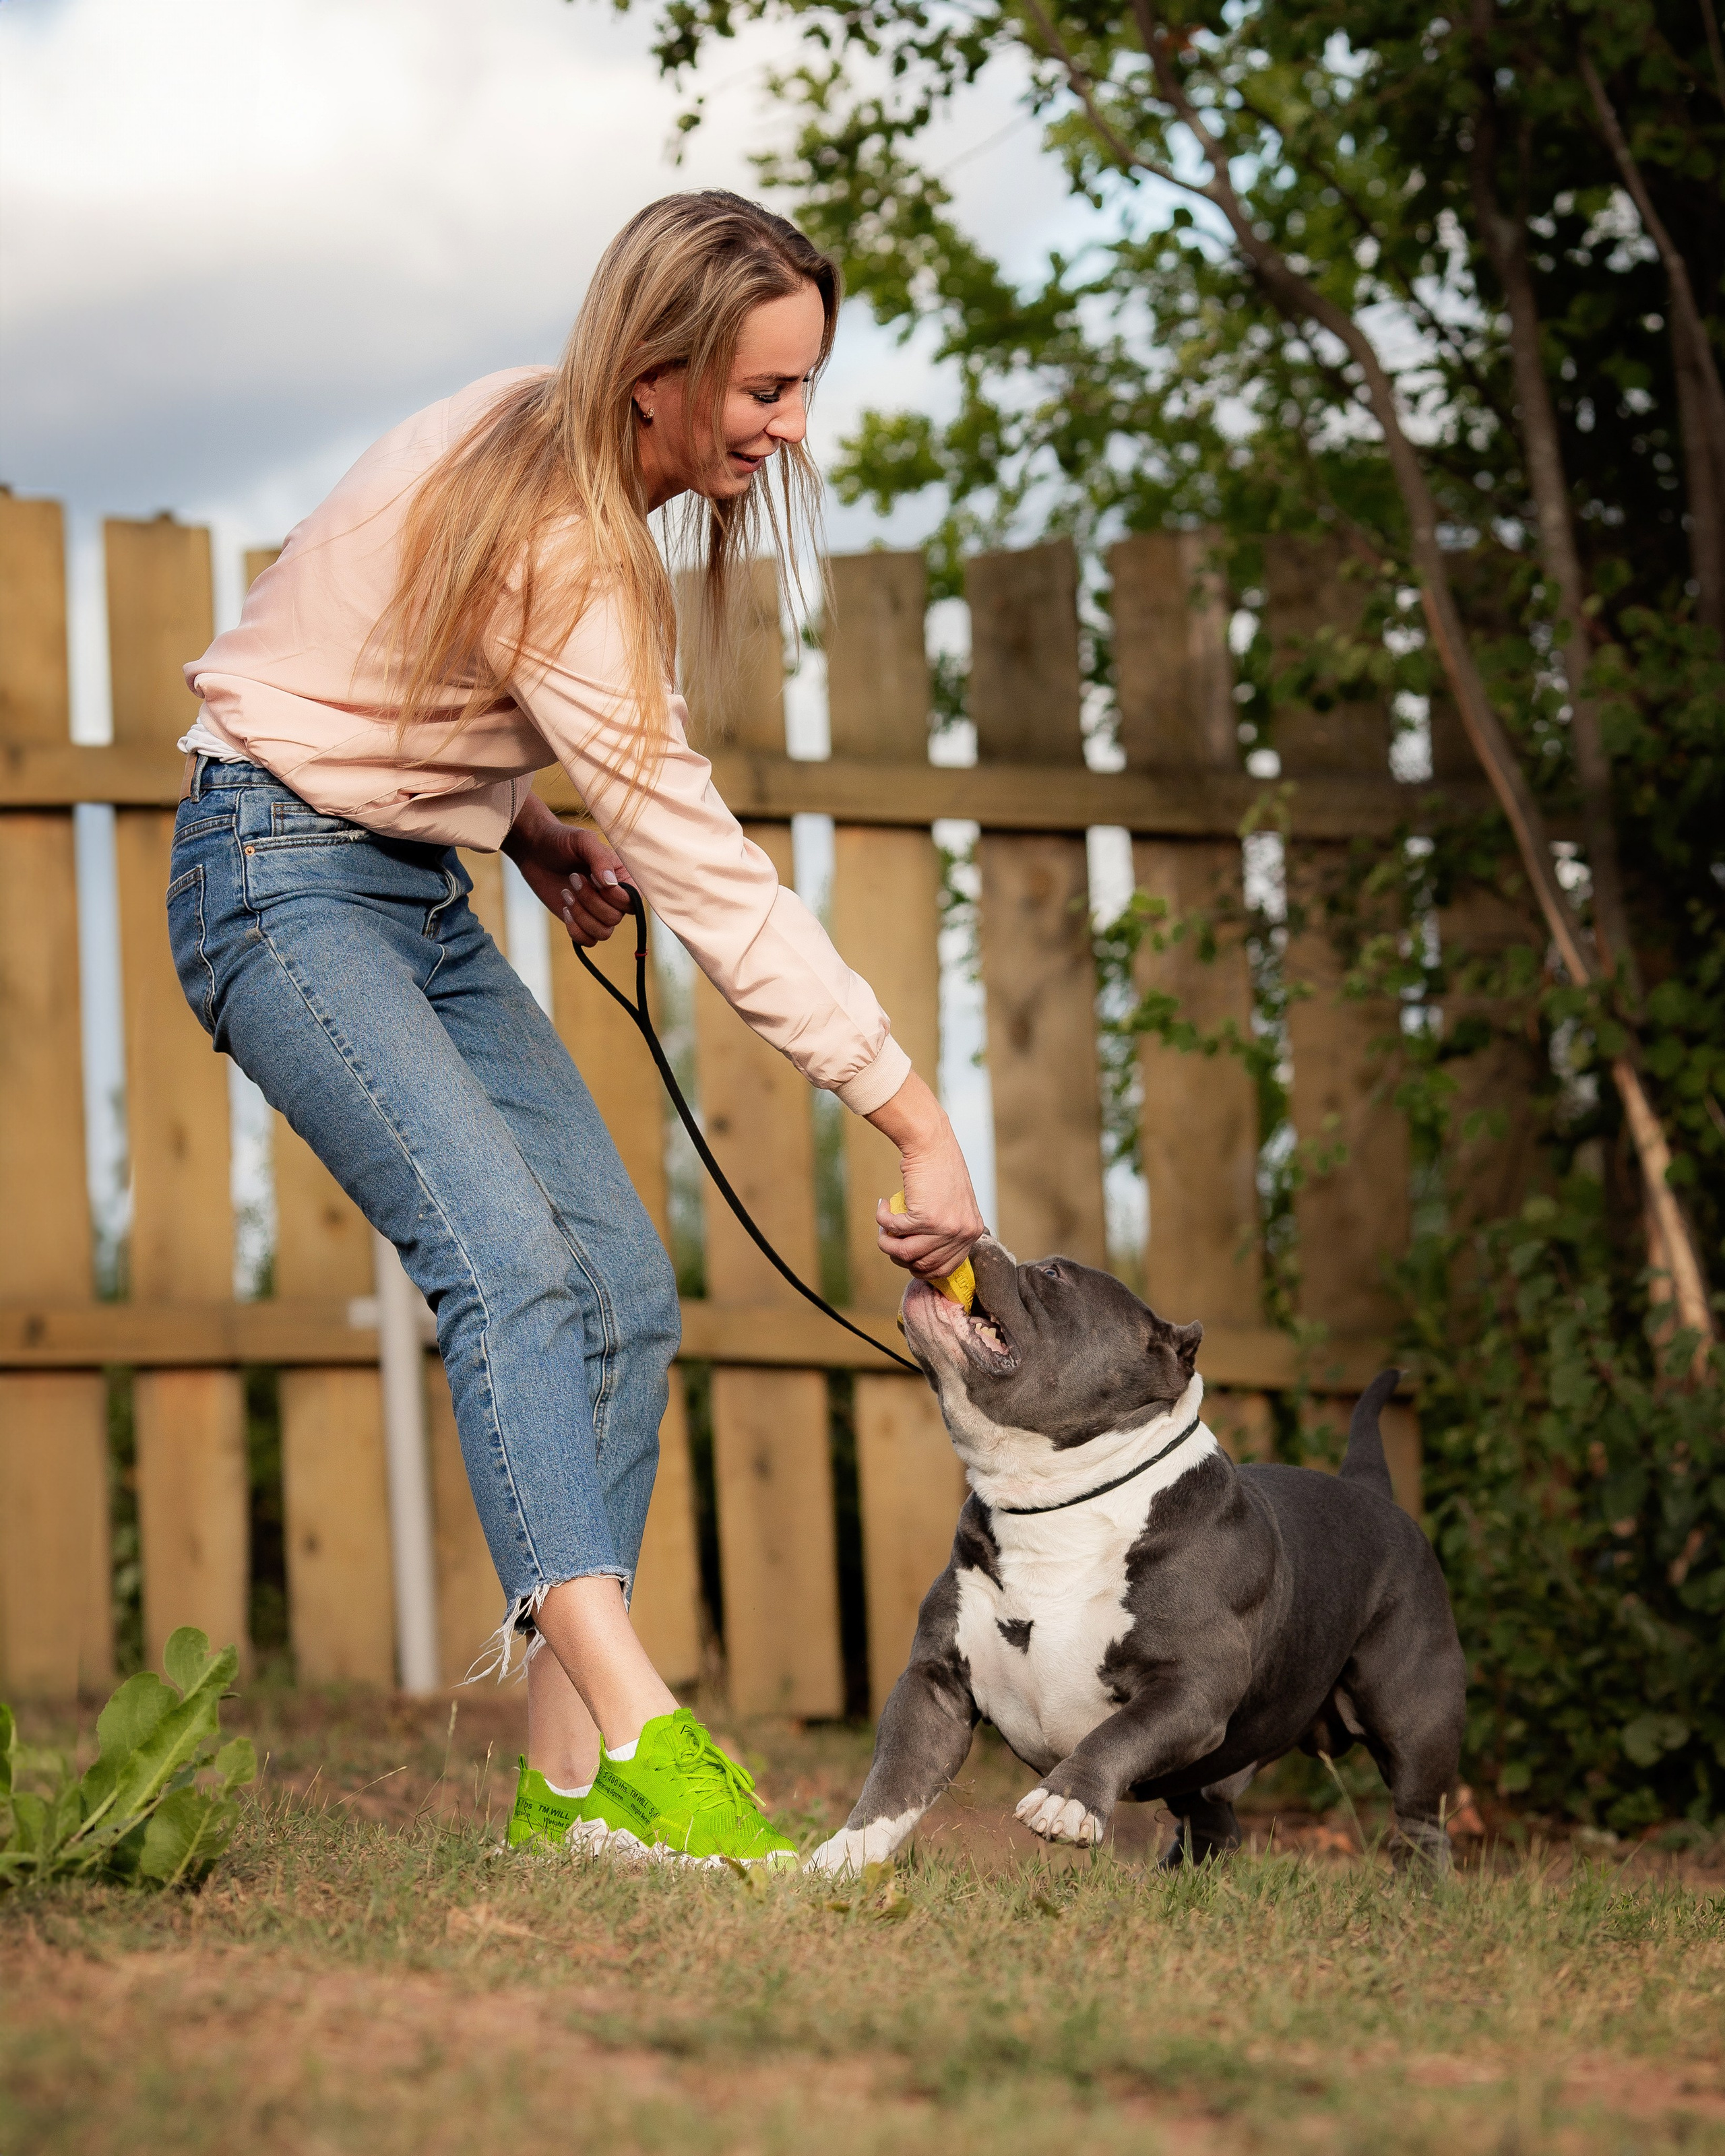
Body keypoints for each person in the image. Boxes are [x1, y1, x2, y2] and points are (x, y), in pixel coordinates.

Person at [170, 191, 985, 1867]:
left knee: (619, 1284)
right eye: (764, 392)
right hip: (276, 884)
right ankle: (648, 1729)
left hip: (403, 881)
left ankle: (567, 1799)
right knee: (510, 1265)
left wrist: (514, 817)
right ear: (655, 380)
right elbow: (707, 871)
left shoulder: (511, 435)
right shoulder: (555, 529)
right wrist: (913, 1115)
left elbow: (351, 639)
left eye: (803, 385)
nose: (789, 428)